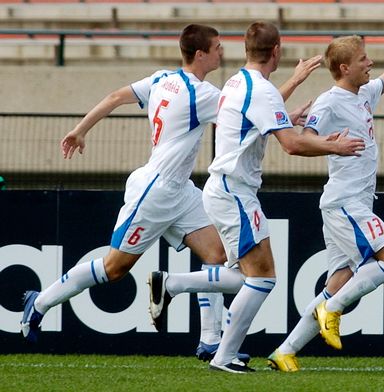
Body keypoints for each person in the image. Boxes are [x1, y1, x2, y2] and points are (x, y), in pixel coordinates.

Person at [20, 24, 245, 362]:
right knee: (114, 268)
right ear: (200, 54)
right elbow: (245, 113)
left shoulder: (160, 79)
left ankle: (211, 340)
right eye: (217, 47)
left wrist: (80, 130)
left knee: (217, 255)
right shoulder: (201, 94)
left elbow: (114, 97)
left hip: (180, 191)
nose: (221, 52)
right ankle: (38, 302)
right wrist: (288, 107)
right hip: (154, 192)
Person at [267, 12, 384, 372]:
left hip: (351, 203)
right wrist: (328, 144)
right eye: (364, 59)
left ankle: (284, 351)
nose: (371, 63)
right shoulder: (330, 101)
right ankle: (330, 311)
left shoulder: (363, 93)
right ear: (345, 67)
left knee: (339, 281)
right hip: (346, 203)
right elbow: (302, 139)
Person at [198, 21, 366, 374]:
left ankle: (170, 284)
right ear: (277, 51)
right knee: (262, 278)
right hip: (235, 191)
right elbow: (291, 144)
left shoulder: (236, 81)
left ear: (245, 49)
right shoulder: (262, 91)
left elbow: (256, 117)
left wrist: (286, 110)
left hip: (225, 188)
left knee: (242, 275)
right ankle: (223, 356)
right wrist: (333, 145)